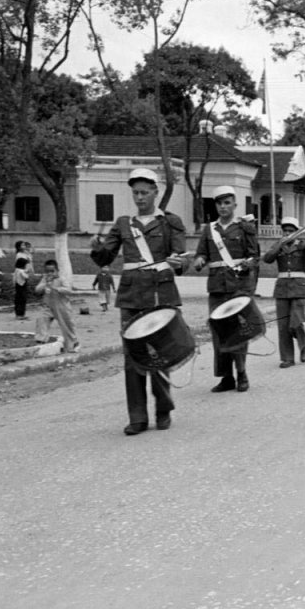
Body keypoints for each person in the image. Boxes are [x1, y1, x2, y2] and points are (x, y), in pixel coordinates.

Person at [91, 168, 188, 435]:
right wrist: (96, 247)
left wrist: (179, 261)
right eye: (136, 193)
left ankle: (163, 409)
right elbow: (104, 259)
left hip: (160, 293)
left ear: (156, 192)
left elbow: (182, 259)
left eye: (145, 192)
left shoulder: (170, 222)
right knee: (133, 357)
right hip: (131, 296)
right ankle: (137, 416)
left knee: (160, 353)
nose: (140, 197)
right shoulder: (123, 224)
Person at [193, 185, 260, 392]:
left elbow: (254, 256)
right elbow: (201, 253)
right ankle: (226, 377)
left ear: (235, 204)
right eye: (219, 203)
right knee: (219, 332)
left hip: (239, 286)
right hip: (216, 287)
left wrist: (249, 264)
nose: (223, 207)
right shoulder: (209, 229)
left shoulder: (244, 227)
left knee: (238, 331)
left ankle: (241, 372)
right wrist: (199, 260)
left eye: (227, 203)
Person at [262, 215, 305, 368]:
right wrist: (278, 246)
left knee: (295, 321)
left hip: (299, 287)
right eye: (285, 231)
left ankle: (303, 344)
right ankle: (287, 358)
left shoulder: (303, 245)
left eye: (291, 230)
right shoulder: (278, 245)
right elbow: (267, 259)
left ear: (297, 231)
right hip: (282, 287)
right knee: (283, 325)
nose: (287, 233)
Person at [34, 259, 79, 352]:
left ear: (57, 270)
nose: (50, 273)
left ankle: (73, 343)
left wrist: (57, 289)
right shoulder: (45, 279)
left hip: (61, 306)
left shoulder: (62, 278)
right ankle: (41, 341)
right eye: (47, 271)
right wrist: (45, 283)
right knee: (41, 319)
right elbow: (37, 290)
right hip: (47, 305)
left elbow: (68, 290)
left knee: (67, 324)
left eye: (52, 271)